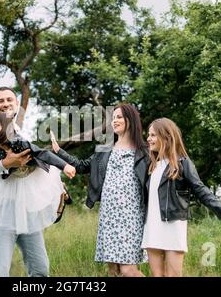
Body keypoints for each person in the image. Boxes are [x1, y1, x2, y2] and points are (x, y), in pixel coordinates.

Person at [0, 86, 71, 277]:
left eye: (9, 100)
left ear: (16, 104)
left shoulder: (22, 133)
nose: (5, 104)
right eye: (0, 101)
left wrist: (57, 180)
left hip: (26, 209)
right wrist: (8, 162)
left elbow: (38, 160)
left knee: (40, 270)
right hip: (0, 211)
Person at [140, 117, 221, 277]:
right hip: (152, 227)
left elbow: (200, 189)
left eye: (153, 135)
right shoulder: (151, 165)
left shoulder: (182, 163)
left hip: (173, 226)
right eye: (149, 135)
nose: (148, 138)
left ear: (167, 137)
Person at [52, 104, 149, 277]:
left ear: (131, 120)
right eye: (113, 117)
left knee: (128, 270)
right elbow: (80, 166)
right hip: (109, 217)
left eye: (119, 117)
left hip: (132, 218)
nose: (115, 121)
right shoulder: (105, 150)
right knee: (113, 270)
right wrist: (58, 151)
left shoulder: (144, 152)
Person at [0, 111, 75, 234]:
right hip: (19, 175)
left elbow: (42, 153)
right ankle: (60, 188)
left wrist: (65, 165)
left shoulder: (18, 142)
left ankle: (61, 192)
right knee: (29, 203)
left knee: (43, 196)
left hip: (36, 172)